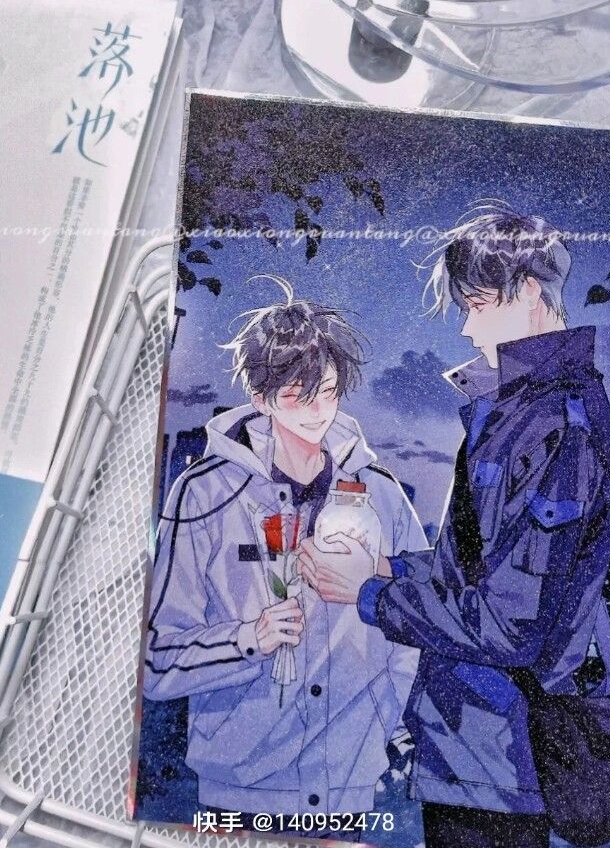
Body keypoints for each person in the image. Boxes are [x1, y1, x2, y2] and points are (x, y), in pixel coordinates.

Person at [299, 207, 610, 848]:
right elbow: (478, 570)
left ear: (527, 292)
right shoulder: (519, 412)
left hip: (503, 754)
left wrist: (371, 593)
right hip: (474, 745)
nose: (468, 327)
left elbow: (511, 623)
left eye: (478, 305)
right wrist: (390, 567)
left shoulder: (556, 424)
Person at [144, 277, 427, 821]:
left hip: (348, 788)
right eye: (298, 394)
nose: (318, 410)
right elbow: (155, 658)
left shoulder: (382, 495)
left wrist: (385, 728)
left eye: (329, 391)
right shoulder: (205, 492)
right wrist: (248, 639)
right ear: (260, 396)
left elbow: (415, 624)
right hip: (239, 789)